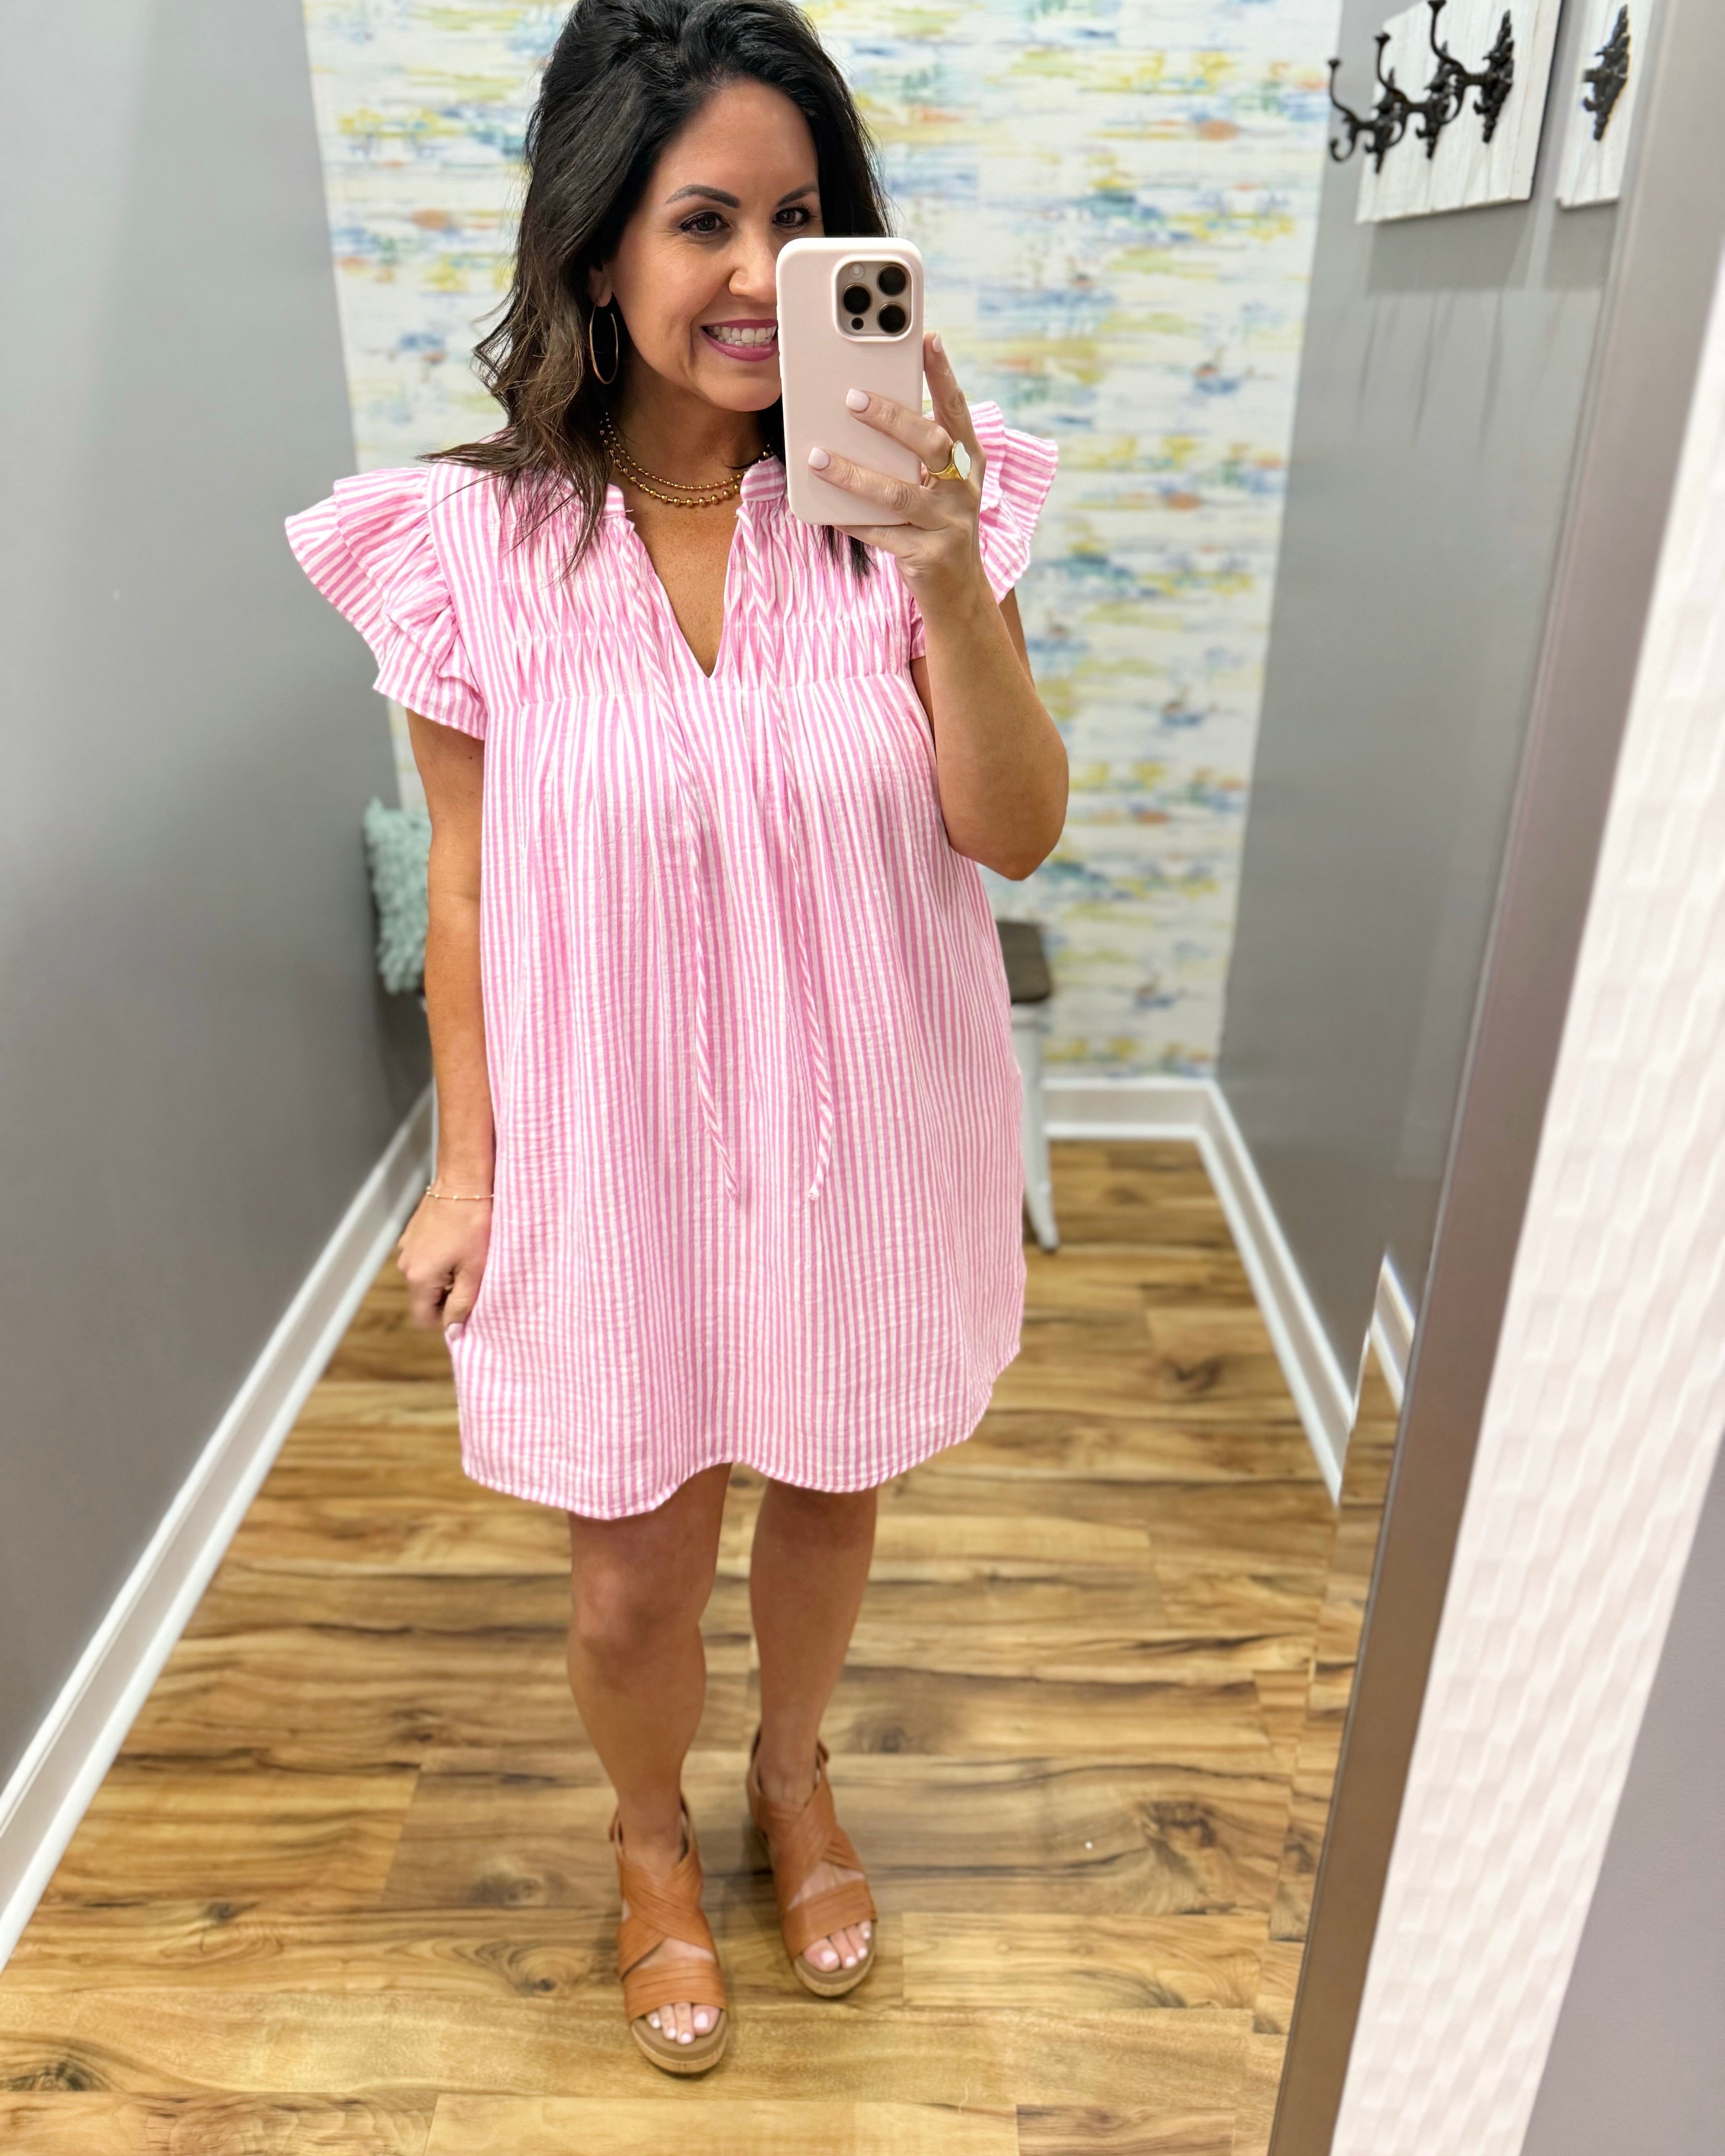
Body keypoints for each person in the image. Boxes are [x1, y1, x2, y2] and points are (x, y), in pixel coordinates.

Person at [287, 0, 1064, 2076]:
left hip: (861, 1129)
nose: (751, 276)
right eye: (702, 218)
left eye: (799, 223)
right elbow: (463, 882)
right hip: (610, 1144)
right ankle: (650, 1840)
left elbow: (1010, 832)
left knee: (828, 1499)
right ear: (597, 245)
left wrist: (950, 577)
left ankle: (793, 1775)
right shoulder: (471, 548)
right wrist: (466, 1170)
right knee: (633, 1585)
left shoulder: (912, 513)